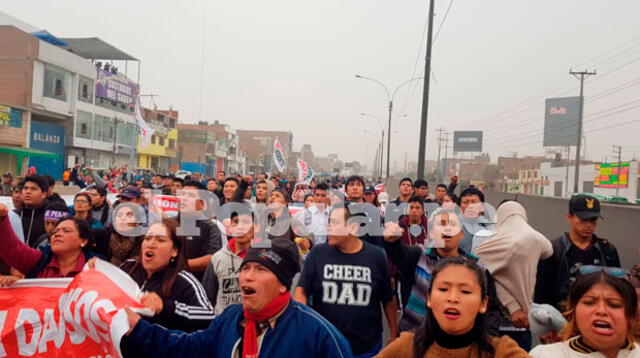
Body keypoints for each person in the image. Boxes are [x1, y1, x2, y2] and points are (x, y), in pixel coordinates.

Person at [120, 238, 353, 358]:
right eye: (246, 268)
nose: (247, 277)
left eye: (260, 270)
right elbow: (189, 348)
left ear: (283, 285)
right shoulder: (231, 318)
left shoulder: (318, 334)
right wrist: (139, 328)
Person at [295, 203, 398, 357]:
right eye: (328, 222)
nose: (328, 227)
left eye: (334, 223)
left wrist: (394, 333)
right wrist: (302, 324)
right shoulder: (317, 254)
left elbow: (388, 299)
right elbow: (301, 290)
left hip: (366, 348)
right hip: (325, 345)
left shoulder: (376, 256)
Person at [375, 258, 529, 358]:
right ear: (428, 299)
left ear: (483, 304)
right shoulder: (406, 348)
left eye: (465, 291)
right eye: (443, 289)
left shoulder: (501, 352)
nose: (453, 298)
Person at [383, 209, 501, 333]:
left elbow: (490, 311)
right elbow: (399, 252)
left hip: (460, 344)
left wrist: (488, 339)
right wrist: (393, 240)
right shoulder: (418, 257)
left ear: (461, 234)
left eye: (453, 224)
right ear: (432, 233)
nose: (447, 228)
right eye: (442, 224)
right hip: (414, 340)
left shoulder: (476, 268)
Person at [100, 219, 215, 335]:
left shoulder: (184, 281)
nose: (151, 244)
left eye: (160, 240)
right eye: (147, 238)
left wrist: (165, 307)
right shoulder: (128, 267)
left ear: (174, 251)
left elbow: (208, 315)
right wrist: (96, 273)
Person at [474, 201, 553, 351]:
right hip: (525, 322)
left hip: (493, 323)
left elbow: (486, 275)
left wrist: (511, 305)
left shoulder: (490, 245)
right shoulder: (535, 239)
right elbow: (549, 250)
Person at [534, 195, 621, 311]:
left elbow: (618, 288)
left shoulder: (607, 250)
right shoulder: (554, 250)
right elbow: (542, 293)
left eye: (593, 220)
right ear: (569, 217)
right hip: (562, 316)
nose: (589, 225)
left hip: (597, 314)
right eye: (583, 220)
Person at [530, 269, 640, 358]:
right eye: (589, 303)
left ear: (632, 315)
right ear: (573, 310)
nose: (601, 311)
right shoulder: (545, 355)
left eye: (614, 305)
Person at [0, 205, 99, 280]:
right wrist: (2, 220)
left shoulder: (95, 268)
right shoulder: (39, 261)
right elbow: (11, 248)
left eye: (66, 231)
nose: (57, 234)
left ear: (83, 241)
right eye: (56, 231)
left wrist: (100, 270)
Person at [202, 206, 256, 314]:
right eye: (235, 222)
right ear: (230, 228)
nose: (240, 227)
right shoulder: (217, 258)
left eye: (246, 222)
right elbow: (208, 297)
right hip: (222, 323)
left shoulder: (262, 258)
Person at [177, 180, 223, 281]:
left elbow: (212, 258)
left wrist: (178, 265)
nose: (183, 198)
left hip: (198, 283)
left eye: (190, 195)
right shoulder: (169, 224)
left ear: (202, 204)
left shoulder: (210, 227)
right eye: (182, 194)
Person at [457, 187, 496, 254]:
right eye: (465, 202)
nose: (469, 206)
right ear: (460, 206)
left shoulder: (489, 227)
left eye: (474, 202)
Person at [16, 175, 50, 247]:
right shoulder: (14, 215)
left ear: (43, 194)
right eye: (25, 188)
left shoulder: (49, 217)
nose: (28, 192)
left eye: (33, 189)